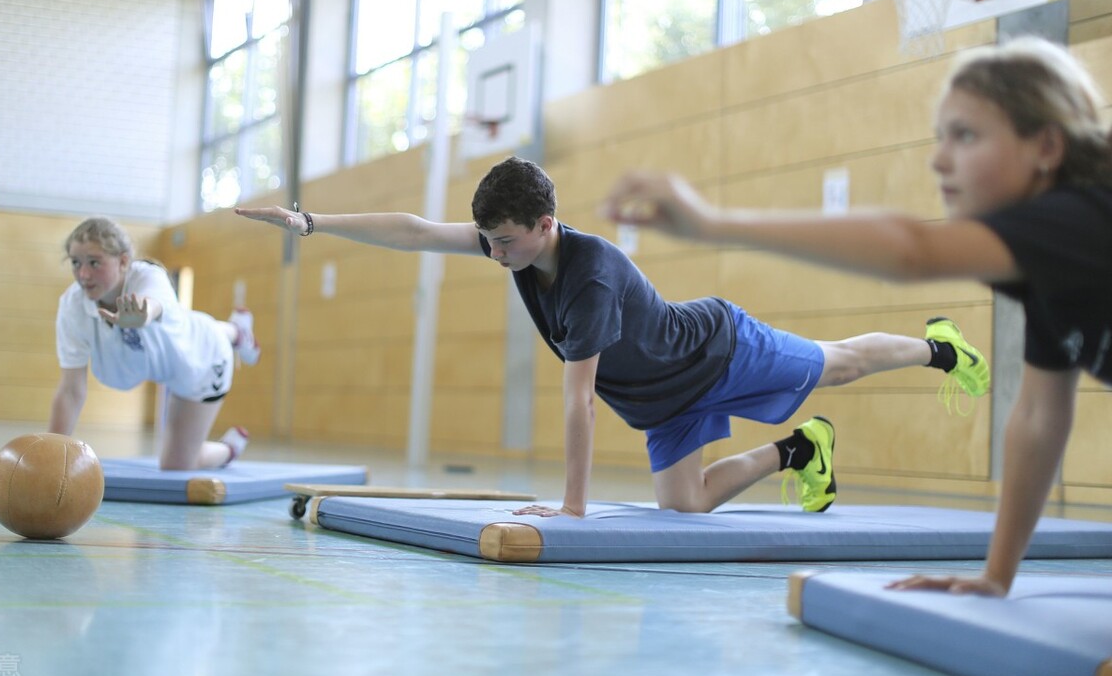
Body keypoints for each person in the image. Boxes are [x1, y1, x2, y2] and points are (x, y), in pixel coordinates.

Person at [601, 36, 1111, 597]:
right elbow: (1039, 417)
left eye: (965, 135)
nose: (939, 158)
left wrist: (713, 223)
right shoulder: (1051, 266)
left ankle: (931, 354)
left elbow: (911, 250)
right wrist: (996, 576)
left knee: (840, 361)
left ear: (1046, 146)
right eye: (940, 136)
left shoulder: (1084, 219)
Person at [236, 157, 987, 520]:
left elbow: (579, 404)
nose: (494, 256)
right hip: (664, 403)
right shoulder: (517, 247)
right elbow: (418, 231)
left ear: (544, 225)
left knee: (842, 365)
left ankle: (940, 346)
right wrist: (312, 222)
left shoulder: (589, 277)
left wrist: (572, 509)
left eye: (504, 243)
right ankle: (800, 449)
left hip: (718, 351)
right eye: (489, 242)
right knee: (684, 507)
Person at [50, 216, 259, 470]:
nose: (83, 274)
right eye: (76, 263)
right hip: (174, 346)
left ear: (124, 261)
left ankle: (228, 449)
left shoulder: (148, 276)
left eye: (95, 263)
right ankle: (236, 331)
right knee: (186, 325)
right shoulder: (73, 305)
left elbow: (155, 303)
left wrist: (142, 314)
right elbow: (71, 390)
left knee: (177, 467)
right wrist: (51, 454)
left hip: (203, 359)